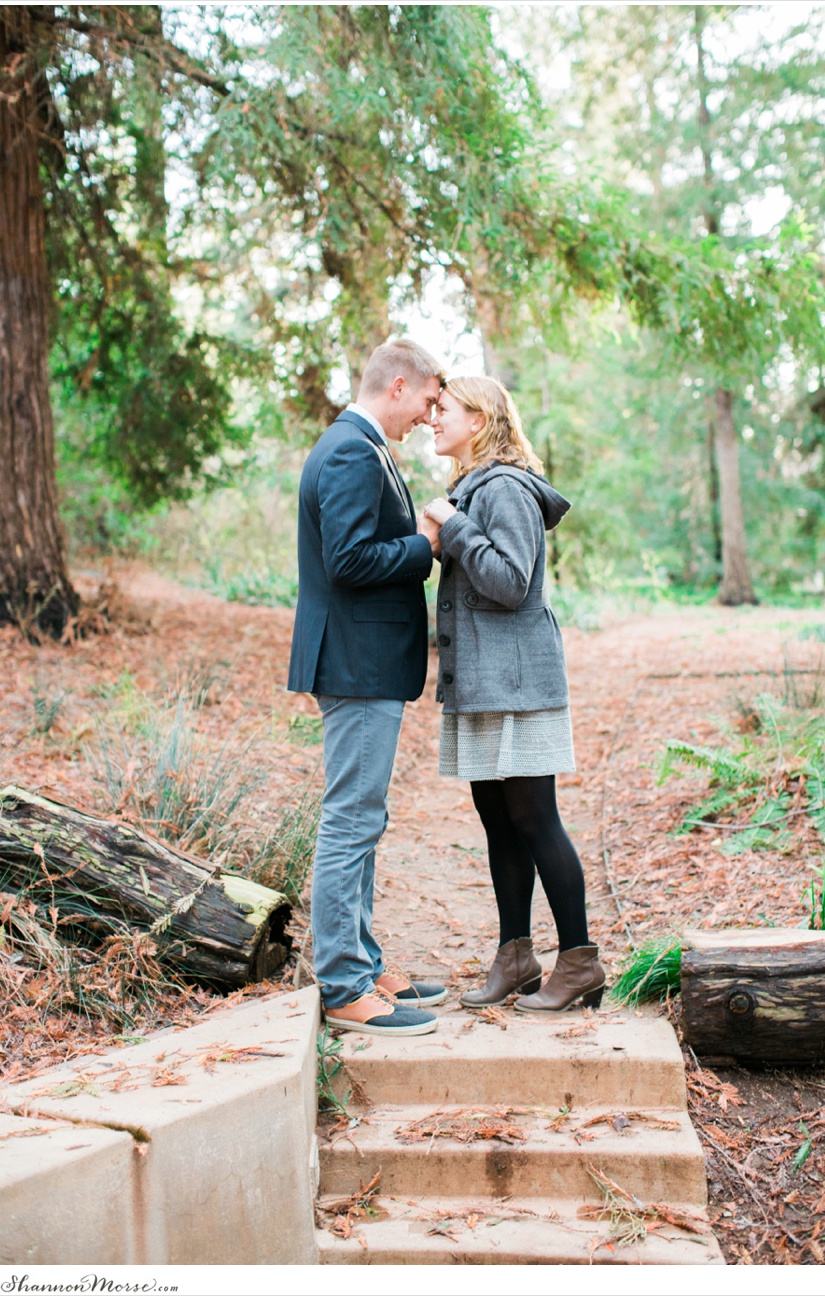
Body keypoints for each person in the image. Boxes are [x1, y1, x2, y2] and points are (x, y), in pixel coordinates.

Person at [422, 376, 605, 1013]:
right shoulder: (472, 487)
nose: (431, 420)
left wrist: (453, 526)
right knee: (498, 822)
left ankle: (579, 960)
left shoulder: (502, 488)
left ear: (479, 418)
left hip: (520, 685)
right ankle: (517, 955)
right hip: (482, 683)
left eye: (442, 410)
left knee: (535, 820)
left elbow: (509, 582)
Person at [288, 338, 449, 1036]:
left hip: (364, 660)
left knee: (365, 817)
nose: (430, 412)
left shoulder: (362, 444)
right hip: (355, 663)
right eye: (428, 398)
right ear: (399, 385)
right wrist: (425, 544)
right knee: (352, 818)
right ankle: (345, 984)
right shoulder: (352, 450)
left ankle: (363, 959)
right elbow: (351, 560)